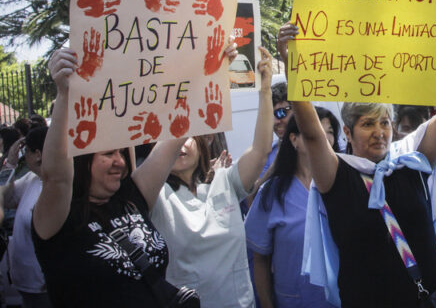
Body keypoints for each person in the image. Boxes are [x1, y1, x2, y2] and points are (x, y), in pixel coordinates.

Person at [278, 16, 436, 308]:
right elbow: (312, 134)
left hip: (430, 300)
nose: (379, 133)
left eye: (385, 123)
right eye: (368, 124)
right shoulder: (336, 174)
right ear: (348, 132)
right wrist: (293, 66)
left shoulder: (411, 161)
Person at [32, 47, 213, 307]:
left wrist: (210, 67)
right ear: (81, 161)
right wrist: (64, 94)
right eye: (108, 154)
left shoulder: (131, 197)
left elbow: (181, 128)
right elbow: (56, 177)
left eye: (120, 152)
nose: (120, 161)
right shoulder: (58, 219)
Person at [150, 47, 277, 308]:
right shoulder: (155, 197)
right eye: (173, 140)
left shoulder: (225, 182)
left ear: (203, 142)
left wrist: (264, 90)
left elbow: (261, 150)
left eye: (188, 138)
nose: (181, 146)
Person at [244, 108, 340, 308]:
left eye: (329, 131)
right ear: (294, 139)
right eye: (313, 130)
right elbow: (260, 259)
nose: (323, 137)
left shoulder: (344, 184)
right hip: (294, 300)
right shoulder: (273, 192)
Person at [6, 127, 51, 307]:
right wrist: (10, 164)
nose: (24, 157)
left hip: (42, 285)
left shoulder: (55, 188)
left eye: (27, 151)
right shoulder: (31, 179)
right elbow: (6, 198)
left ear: (38, 154)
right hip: (25, 281)